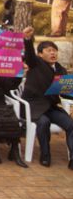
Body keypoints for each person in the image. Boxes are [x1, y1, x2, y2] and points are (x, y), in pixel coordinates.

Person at [21, 27, 73, 168]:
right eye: (49, 50)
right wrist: (27, 39)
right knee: (43, 123)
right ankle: (45, 155)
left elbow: (65, 92)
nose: (52, 53)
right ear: (40, 54)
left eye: (54, 50)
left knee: (70, 124)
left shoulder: (61, 69)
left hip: (51, 107)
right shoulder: (35, 63)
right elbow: (29, 54)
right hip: (34, 107)